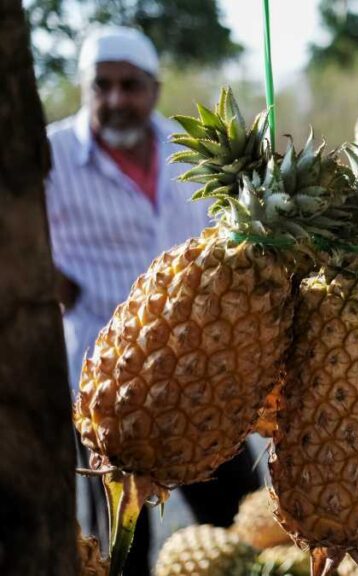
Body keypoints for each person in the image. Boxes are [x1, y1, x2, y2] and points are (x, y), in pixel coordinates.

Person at [46, 26, 259, 574]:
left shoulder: (189, 150)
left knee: (243, 520)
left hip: (204, 379)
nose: (116, 99)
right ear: (85, 88)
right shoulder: (52, 155)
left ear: (154, 88)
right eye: (102, 86)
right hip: (108, 387)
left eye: (130, 85)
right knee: (120, 549)